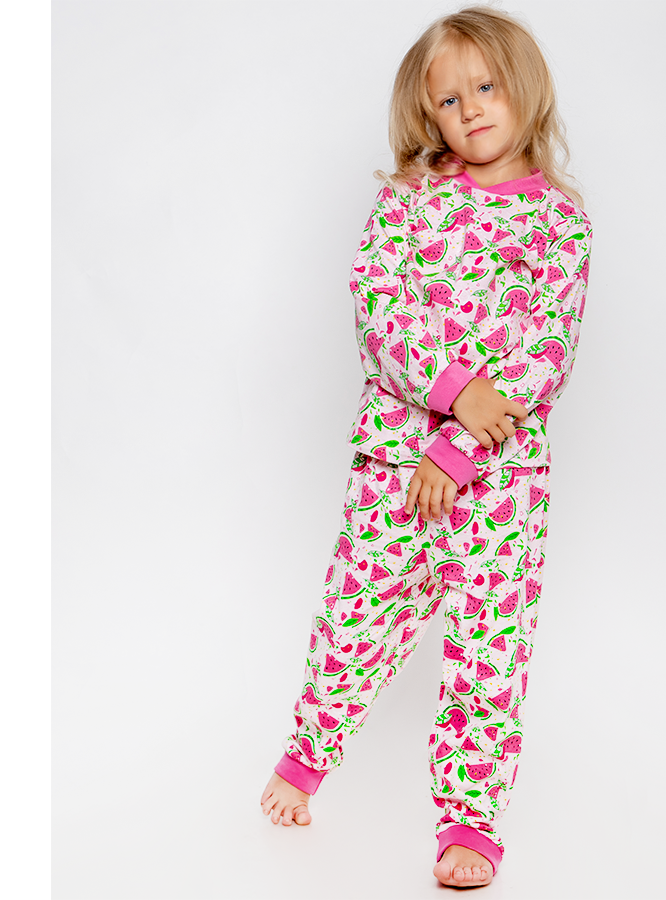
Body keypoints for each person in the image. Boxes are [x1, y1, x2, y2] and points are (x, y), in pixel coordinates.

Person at [259, 4, 592, 888]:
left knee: (489, 650)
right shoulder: (409, 201)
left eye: (486, 86)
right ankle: (306, 755)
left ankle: (469, 823)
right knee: (357, 614)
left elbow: (546, 350)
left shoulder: (560, 223)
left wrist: (462, 447)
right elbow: (380, 311)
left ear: (525, 88)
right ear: (427, 114)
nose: (471, 107)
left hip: (499, 482)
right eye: (449, 98)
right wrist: (451, 396)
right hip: (393, 467)